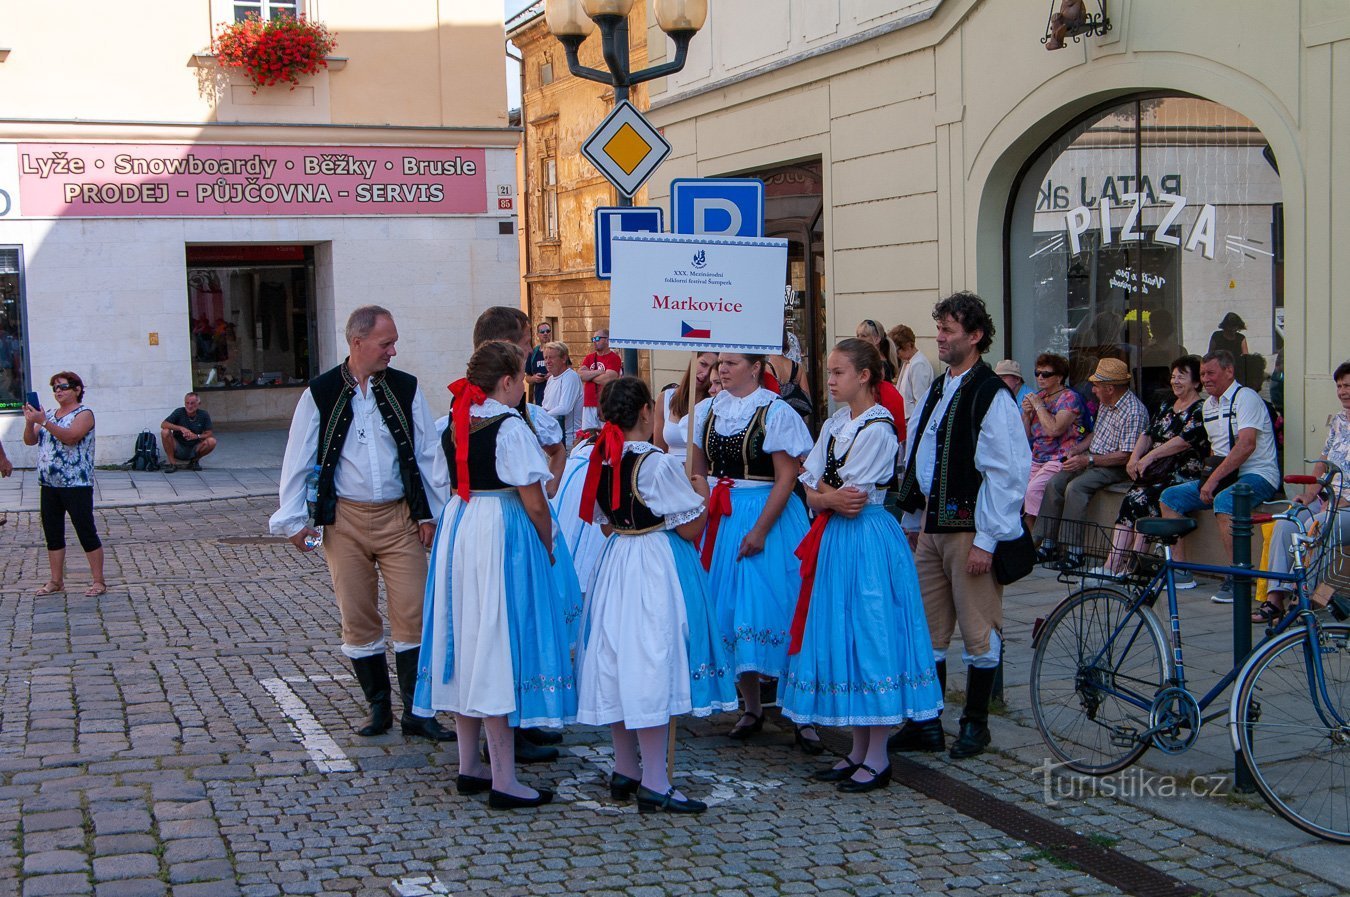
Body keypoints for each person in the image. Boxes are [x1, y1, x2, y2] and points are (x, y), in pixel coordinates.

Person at [269, 306, 454, 743]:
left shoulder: (406, 388)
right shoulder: (321, 391)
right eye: (385, 343)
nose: (393, 350)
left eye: (393, 342)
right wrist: (294, 519)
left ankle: (416, 710)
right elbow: (298, 458)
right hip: (344, 521)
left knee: (414, 611)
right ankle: (377, 708)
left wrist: (432, 514)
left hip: (400, 516)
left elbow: (429, 455)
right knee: (357, 614)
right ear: (357, 343)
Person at [414, 340, 576, 810]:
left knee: (467, 638)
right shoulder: (508, 427)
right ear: (506, 381)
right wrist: (547, 543)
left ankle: (470, 766)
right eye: (520, 382)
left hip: (461, 529)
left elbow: (440, 482)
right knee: (497, 640)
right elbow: (533, 499)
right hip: (499, 531)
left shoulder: (454, 421)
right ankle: (504, 778)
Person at [783, 339, 942, 792]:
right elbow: (810, 484)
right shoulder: (836, 423)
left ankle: (878, 755)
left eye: (838, 373)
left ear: (864, 376)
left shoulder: (878, 429)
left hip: (868, 540)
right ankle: (857, 749)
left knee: (871, 633)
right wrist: (823, 496)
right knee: (846, 634)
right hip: (836, 540)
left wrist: (824, 496)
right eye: (829, 372)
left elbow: (851, 498)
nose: (830, 380)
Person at [574, 377, 736, 813]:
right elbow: (689, 527)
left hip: (617, 561)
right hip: (654, 566)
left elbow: (604, 522)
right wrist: (701, 492)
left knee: (618, 658)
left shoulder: (602, 458)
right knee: (652, 661)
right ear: (646, 413)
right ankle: (655, 781)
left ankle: (625, 768)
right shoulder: (656, 463)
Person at [891, 292, 1031, 760]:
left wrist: (988, 541)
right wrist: (914, 517)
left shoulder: (991, 394)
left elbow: (1007, 473)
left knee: (978, 628)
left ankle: (976, 724)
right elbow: (921, 455)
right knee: (927, 627)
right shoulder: (941, 385)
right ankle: (926, 722)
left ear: (975, 337)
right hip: (933, 523)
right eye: (940, 328)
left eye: (949, 330)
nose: (941, 336)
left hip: (971, 528)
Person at [691, 353, 814, 746]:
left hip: (768, 515)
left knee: (779, 606)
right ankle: (751, 707)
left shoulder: (774, 412)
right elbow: (695, 472)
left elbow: (786, 477)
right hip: (722, 517)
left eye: (731, 363)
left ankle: (802, 712)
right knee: (729, 609)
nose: (721, 370)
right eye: (719, 364)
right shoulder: (708, 409)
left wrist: (761, 529)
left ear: (756, 368)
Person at [1160, 349, 1282, 601]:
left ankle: (1237, 577)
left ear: (1229, 371)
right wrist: (1210, 479)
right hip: (1227, 475)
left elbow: (1246, 445)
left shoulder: (1245, 397)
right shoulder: (1209, 407)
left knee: (1225, 500)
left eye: (1211, 373)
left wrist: (1214, 480)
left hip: (1258, 475)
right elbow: (1217, 450)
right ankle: (1181, 571)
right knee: (1170, 497)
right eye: (1203, 373)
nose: (1205, 379)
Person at [1253, 361, 1350, 623]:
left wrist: (1343, 501)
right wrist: (1309, 495)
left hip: (1346, 508)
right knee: (1288, 521)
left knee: (1316, 525)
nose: (1343, 391)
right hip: (1328, 500)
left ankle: (1303, 598)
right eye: (1340, 386)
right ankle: (1275, 599)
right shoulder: (1339, 421)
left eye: (1348, 385)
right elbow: (1322, 462)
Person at [1096, 355, 1209, 576]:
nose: (1175, 381)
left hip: (1180, 472)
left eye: (1181, 377)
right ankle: (1113, 565)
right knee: (1131, 499)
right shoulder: (1166, 404)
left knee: (1145, 499)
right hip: (1155, 473)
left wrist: (1149, 458)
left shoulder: (1200, 409)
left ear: (1196, 382)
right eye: (1173, 376)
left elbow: (1183, 441)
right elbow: (1147, 433)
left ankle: (1134, 566)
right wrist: (1135, 457)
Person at [1034, 357, 1149, 566]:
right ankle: (1047, 543)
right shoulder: (1106, 403)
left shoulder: (1133, 411)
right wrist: (1077, 450)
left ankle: (1074, 551)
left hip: (1116, 466)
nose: (1093, 390)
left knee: (1076, 487)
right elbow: (1095, 434)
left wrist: (1088, 459)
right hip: (1093, 458)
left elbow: (1125, 455)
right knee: (1055, 482)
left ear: (1110, 388)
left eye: (1097, 386)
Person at [23, 371, 105, 597]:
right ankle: (56, 580)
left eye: (63, 387)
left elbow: (71, 437)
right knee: (53, 533)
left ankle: (98, 580)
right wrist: (31, 423)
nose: (58, 391)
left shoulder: (84, 413)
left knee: (85, 530)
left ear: (77, 389)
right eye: (55, 388)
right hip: (49, 484)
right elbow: (30, 441)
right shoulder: (48, 414)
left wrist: (44, 422)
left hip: (76, 483)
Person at [1021, 353, 1085, 530]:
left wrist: (1039, 407)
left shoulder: (1069, 398)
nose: (1040, 378)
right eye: (1037, 373)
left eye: (1046, 374)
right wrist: (1026, 415)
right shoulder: (1039, 396)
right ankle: (1025, 536)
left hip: (1059, 457)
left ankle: (1035, 537)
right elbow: (1025, 435)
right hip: (1037, 457)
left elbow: (1054, 429)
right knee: (1019, 489)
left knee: (1033, 490)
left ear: (1059, 377)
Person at [653, 352, 717, 465]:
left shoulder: (716, 403)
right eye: (703, 364)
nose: (706, 373)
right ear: (693, 360)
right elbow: (659, 451)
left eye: (712, 369)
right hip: (670, 474)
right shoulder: (665, 398)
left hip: (703, 476)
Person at [892, 324, 935, 436]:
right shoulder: (909, 362)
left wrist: (914, 426)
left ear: (908, 345)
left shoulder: (918, 364)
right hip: (905, 422)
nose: (897, 355)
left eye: (898, 350)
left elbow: (920, 400)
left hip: (912, 423)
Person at [578, 328, 623, 430]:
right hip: (588, 404)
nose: (595, 341)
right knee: (588, 435)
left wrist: (589, 374)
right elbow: (580, 375)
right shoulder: (589, 357)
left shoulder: (614, 358)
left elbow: (607, 379)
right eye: (593, 339)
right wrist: (599, 372)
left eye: (597, 338)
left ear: (607, 340)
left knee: (606, 433)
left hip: (605, 404)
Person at [160, 392, 217, 472]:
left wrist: (196, 436)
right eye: (187, 403)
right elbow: (164, 424)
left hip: (195, 447)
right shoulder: (179, 412)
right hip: (178, 446)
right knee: (165, 432)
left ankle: (194, 461)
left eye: (192, 403)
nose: (189, 406)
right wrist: (181, 428)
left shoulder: (204, 414)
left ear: (198, 403)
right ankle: (172, 463)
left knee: (212, 441)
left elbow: (209, 433)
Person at [541, 341, 583, 445]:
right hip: (552, 437)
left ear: (564, 358)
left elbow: (565, 408)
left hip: (568, 439)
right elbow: (545, 406)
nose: (547, 361)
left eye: (551, 357)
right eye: (545, 358)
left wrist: (542, 417)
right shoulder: (550, 379)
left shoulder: (571, 377)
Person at [856, 319, 897, 383]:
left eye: (864, 336)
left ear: (877, 339)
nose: (858, 339)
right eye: (858, 335)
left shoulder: (880, 365)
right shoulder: (868, 360)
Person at [525, 321, 552, 404]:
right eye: (542, 332)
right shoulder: (534, 353)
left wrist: (554, 375)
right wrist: (534, 378)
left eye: (547, 331)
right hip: (539, 397)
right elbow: (527, 377)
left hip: (556, 396)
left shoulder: (558, 350)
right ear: (537, 335)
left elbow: (569, 370)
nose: (545, 333)